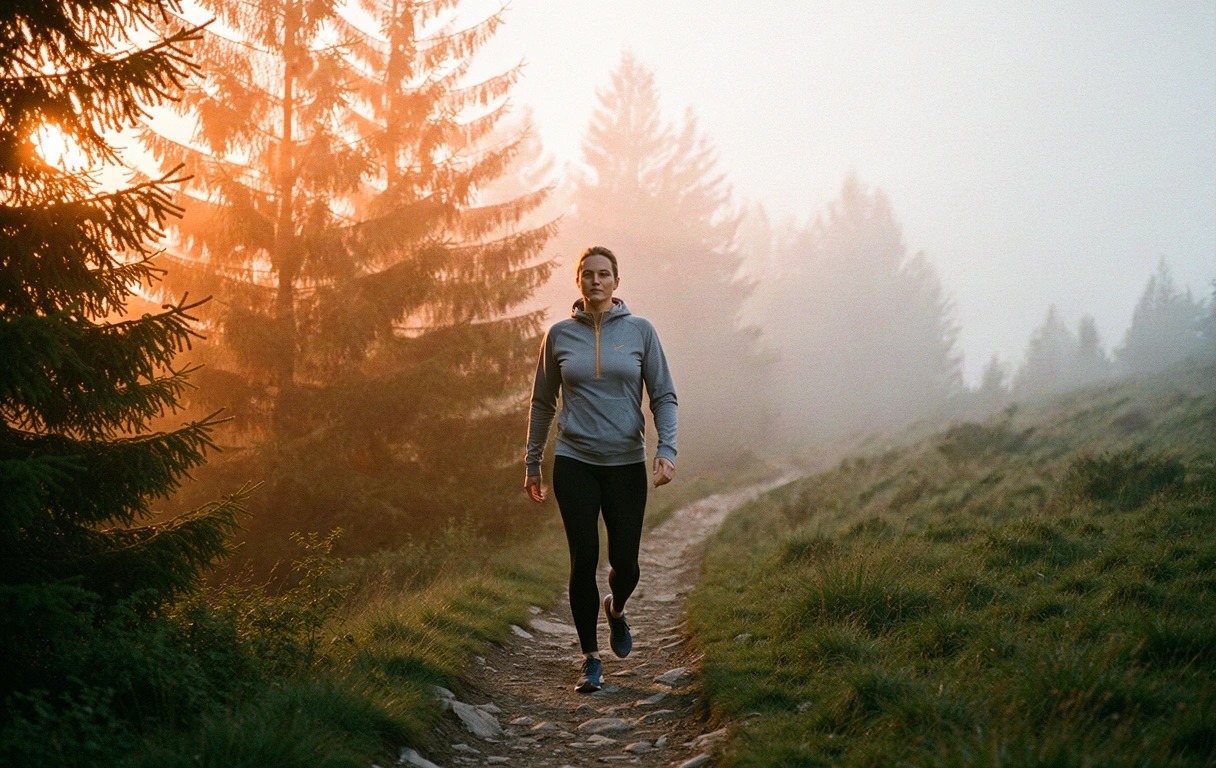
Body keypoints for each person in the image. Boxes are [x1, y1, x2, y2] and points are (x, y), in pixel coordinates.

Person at [524, 245, 678, 693]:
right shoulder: (558, 336)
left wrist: (665, 449)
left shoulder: (640, 332)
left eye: (604, 274)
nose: (596, 281)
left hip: (626, 464)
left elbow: (663, 395)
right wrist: (533, 461)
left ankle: (616, 607)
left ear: (616, 281)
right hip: (575, 463)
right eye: (587, 274)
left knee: (625, 564)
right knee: (583, 559)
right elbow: (542, 402)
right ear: (578, 281)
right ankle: (590, 658)